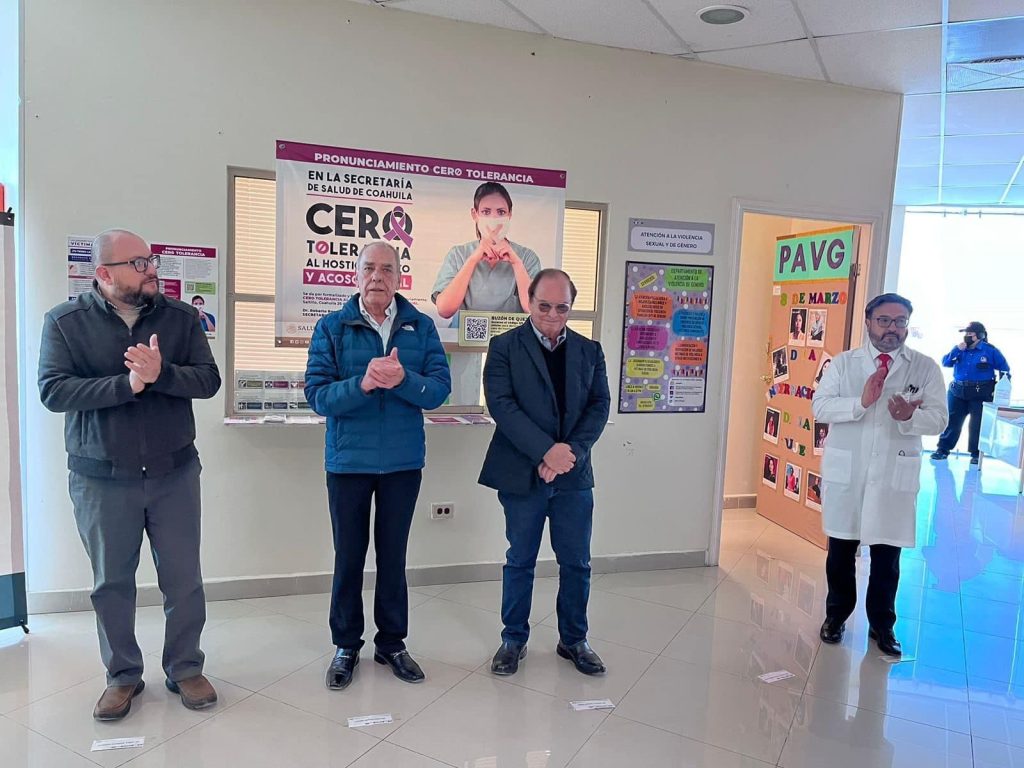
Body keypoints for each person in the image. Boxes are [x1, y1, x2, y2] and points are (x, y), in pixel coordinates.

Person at [38, 229, 221, 720]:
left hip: (174, 472)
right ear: (104, 273)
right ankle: (122, 675)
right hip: (99, 476)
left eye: (151, 259)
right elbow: (54, 391)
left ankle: (185, 667)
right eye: (138, 263)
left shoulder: (180, 318)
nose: (151, 269)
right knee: (112, 583)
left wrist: (162, 376)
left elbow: (208, 380)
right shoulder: (64, 322)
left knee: (183, 579)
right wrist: (128, 384)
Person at [305, 241, 451, 690]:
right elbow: (318, 396)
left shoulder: (420, 327)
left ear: (399, 278)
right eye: (369, 268)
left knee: (393, 558)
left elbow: (439, 390)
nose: (377, 277)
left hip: (403, 464)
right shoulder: (332, 327)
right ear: (356, 274)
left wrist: (404, 379)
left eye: (387, 269)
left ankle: (392, 643)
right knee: (349, 558)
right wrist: (363, 383)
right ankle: (346, 645)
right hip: (348, 463)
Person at [479, 268, 611, 677]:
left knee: (577, 562)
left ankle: (574, 639)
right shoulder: (504, 346)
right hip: (523, 472)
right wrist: (545, 452)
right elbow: (502, 405)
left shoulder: (590, 351)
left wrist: (568, 453)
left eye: (562, 307)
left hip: (573, 474)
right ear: (529, 301)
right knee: (520, 559)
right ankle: (513, 640)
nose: (553, 315)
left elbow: (599, 406)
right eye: (544, 306)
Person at [812, 293, 947, 656]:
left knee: (887, 559)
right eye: (884, 320)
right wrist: (861, 402)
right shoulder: (843, 364)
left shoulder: (925, 368)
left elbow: (940, 419)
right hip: (849, 473)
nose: (892, 329)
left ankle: (882, 626)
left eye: (900, 321)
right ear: (869, 322)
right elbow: (820, 407)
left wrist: (910, 417)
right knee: (841, 553)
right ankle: (836, 617)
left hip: (892, 476)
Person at [432, 182, 542, 322]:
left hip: (512, 335)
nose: (494, 218)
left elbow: (535, 311)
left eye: (501, 212)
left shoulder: (527, 257)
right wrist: (472, 261)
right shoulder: (458, 254)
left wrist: (516, 263)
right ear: (475, 214)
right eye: (486, 212)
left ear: (510, 214)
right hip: (464, 334)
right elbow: (444, 309)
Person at [932, 321, 1010, 464]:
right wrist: (956, 350)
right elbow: (945, 362)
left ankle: (975, 454)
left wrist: (1002, 391)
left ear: (980, 335)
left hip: (981, 393)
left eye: (970, 334)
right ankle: (942, 450)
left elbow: (1005, 369)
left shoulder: (990, 351)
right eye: (966, 333)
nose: (967, 336)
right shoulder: (960, 349)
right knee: (952, 422)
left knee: (977, 424)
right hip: (957, 391)